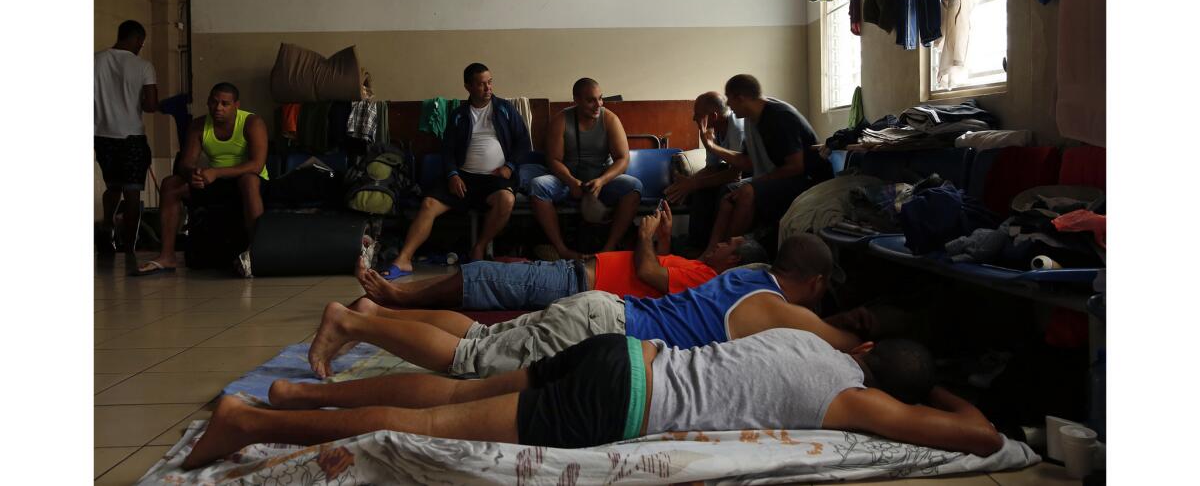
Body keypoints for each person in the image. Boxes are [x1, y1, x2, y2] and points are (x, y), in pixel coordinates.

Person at [182, 329, 1004, 469]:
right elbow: (979, 438)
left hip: (623, 350)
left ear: (861, 348)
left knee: (453, 388)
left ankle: (295, 390)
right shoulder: (861, 401)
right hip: (628, 400)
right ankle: (250, 418)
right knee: (435, 423)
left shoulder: (820, 344)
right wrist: (932, 390)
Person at [307, 233, 844, 379]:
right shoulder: (778, 307)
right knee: (470, 361)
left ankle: (377, 316)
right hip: (601, 323)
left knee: (477, 338)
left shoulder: (749, 274)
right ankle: (354, 321)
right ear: (814, 283)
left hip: (600, 312)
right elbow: (845, 344)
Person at [358, 202, 767, 310]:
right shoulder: (699, 268)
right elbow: (661, 265)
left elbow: (647, 270)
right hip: (578, 271)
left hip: (581, 284)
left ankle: (401, 298)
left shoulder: (707, 281)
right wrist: (661, 237)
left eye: (726, 245)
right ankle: (411, 296)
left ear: (734, 261)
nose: (718, 243)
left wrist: (642, 237)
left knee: (484, 276)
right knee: (501, 267)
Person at [380, 64, 531, 278]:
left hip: (496, 178)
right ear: (468, 86)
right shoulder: (459, 114)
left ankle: (479, 247)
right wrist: (452, 175)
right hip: (463, 178)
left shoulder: (505, 109)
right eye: (481, 84)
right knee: (429, 204)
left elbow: (523, 143)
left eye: (490, 82)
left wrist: (510, 167)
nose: (488, 88)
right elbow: (448, 150)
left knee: (506, 200)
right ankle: (404, 259)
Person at [135, 83, 268, 275]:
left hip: (249, 182)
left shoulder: (252, 123)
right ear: (207, 102)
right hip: (215, 181)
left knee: (248, 180)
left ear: (236, 105)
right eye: (214, 102)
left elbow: (257, 165)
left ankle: (256, 253)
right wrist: (193, 174)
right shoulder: (198, 125)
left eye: (225, 104)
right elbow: (185, 163)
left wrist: (216, 173)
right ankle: (167, 256)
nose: (218, 108)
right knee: (171, 184)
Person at [701, 74, 832, 259]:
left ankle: (727, 257)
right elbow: (747, 161)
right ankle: (709, 254)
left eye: (730, 101)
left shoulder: (780, 116)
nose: (729, 106)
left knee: (746, 192)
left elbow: (796, 166)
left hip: (809, 179)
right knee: (728, 197)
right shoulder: (751, 119)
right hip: (784, 176)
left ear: (741, 98)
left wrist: (756, 183)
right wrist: (712, 147)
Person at [524, 78, 642, 260]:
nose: (598, 105)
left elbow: (623, 159)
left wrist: (602, 181)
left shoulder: (610, 119)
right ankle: (562, 249)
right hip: (567, 182)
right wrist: (571, 182)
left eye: (600, 99)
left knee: (633, 186)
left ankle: (608, 249)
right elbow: (553, 159)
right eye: (591, 100)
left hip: (601, 182)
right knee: (537, 185)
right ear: (576, 100)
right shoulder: (561, 120)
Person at [95, 20, 159, 260]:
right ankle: (130, 248)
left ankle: (107, 226)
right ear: (136, 39)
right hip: (132, 137)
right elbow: (151, 105)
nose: (140, 46)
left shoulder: (94, 60)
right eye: (140, 42)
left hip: (102, 135)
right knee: (132, 193)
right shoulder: (143, 66)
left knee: (112, 186)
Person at [664, 92, 746, 252]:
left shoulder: (738, 129)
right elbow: (711, 168)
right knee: (699, 190)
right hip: (732, 171)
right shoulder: (712, 130)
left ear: (713, 116)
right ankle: (695, 245)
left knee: (722, 190)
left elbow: (736, 174)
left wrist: (693, 184)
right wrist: (686, 184)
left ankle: (712, 248)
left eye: (697, 115)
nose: (694, 118)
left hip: (751, 174)